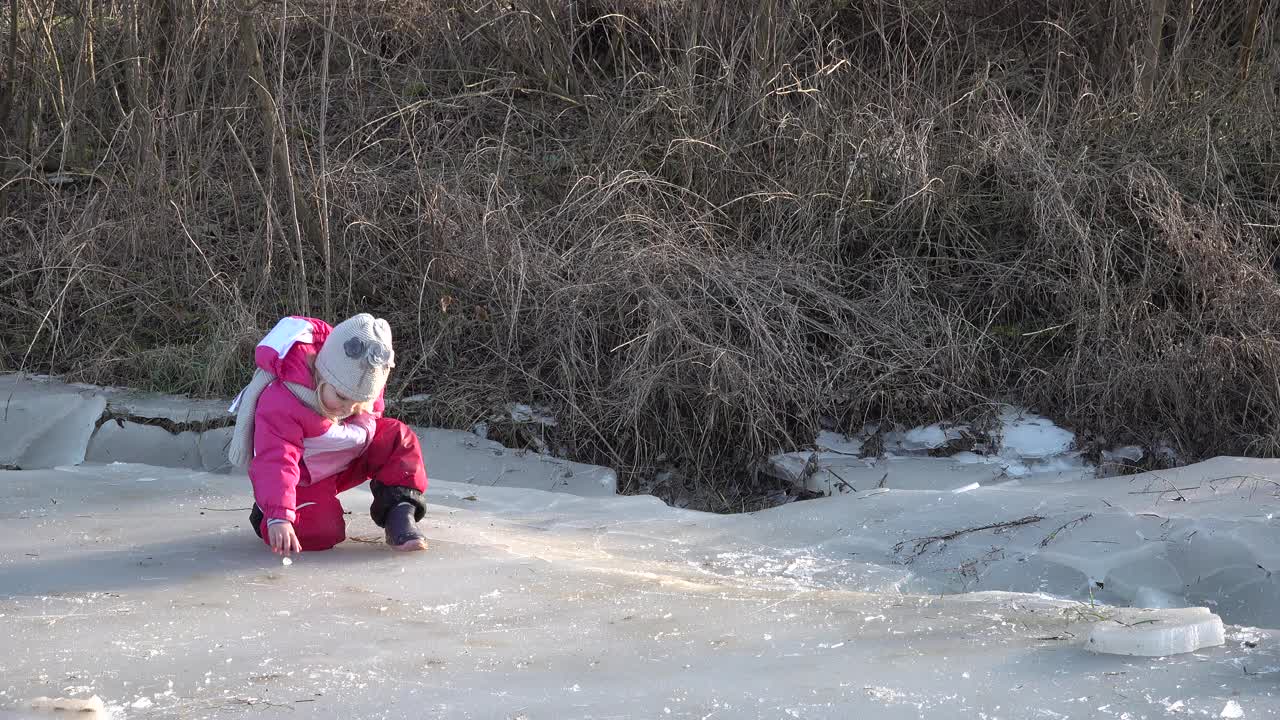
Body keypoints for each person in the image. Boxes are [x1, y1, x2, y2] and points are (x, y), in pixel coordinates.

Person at [226, 313, 428, 555]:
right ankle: (269, 512)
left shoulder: (360, 386)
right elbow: (276, 459)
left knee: (398, 437)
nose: (348, 409)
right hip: (300, 477)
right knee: (322, 531)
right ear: (321, 374)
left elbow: (369, 418)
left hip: (343, 461)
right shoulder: (284, 402)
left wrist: (359, 405)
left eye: (359, 402)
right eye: (342, 397)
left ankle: (399, 513)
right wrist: (279, 516)